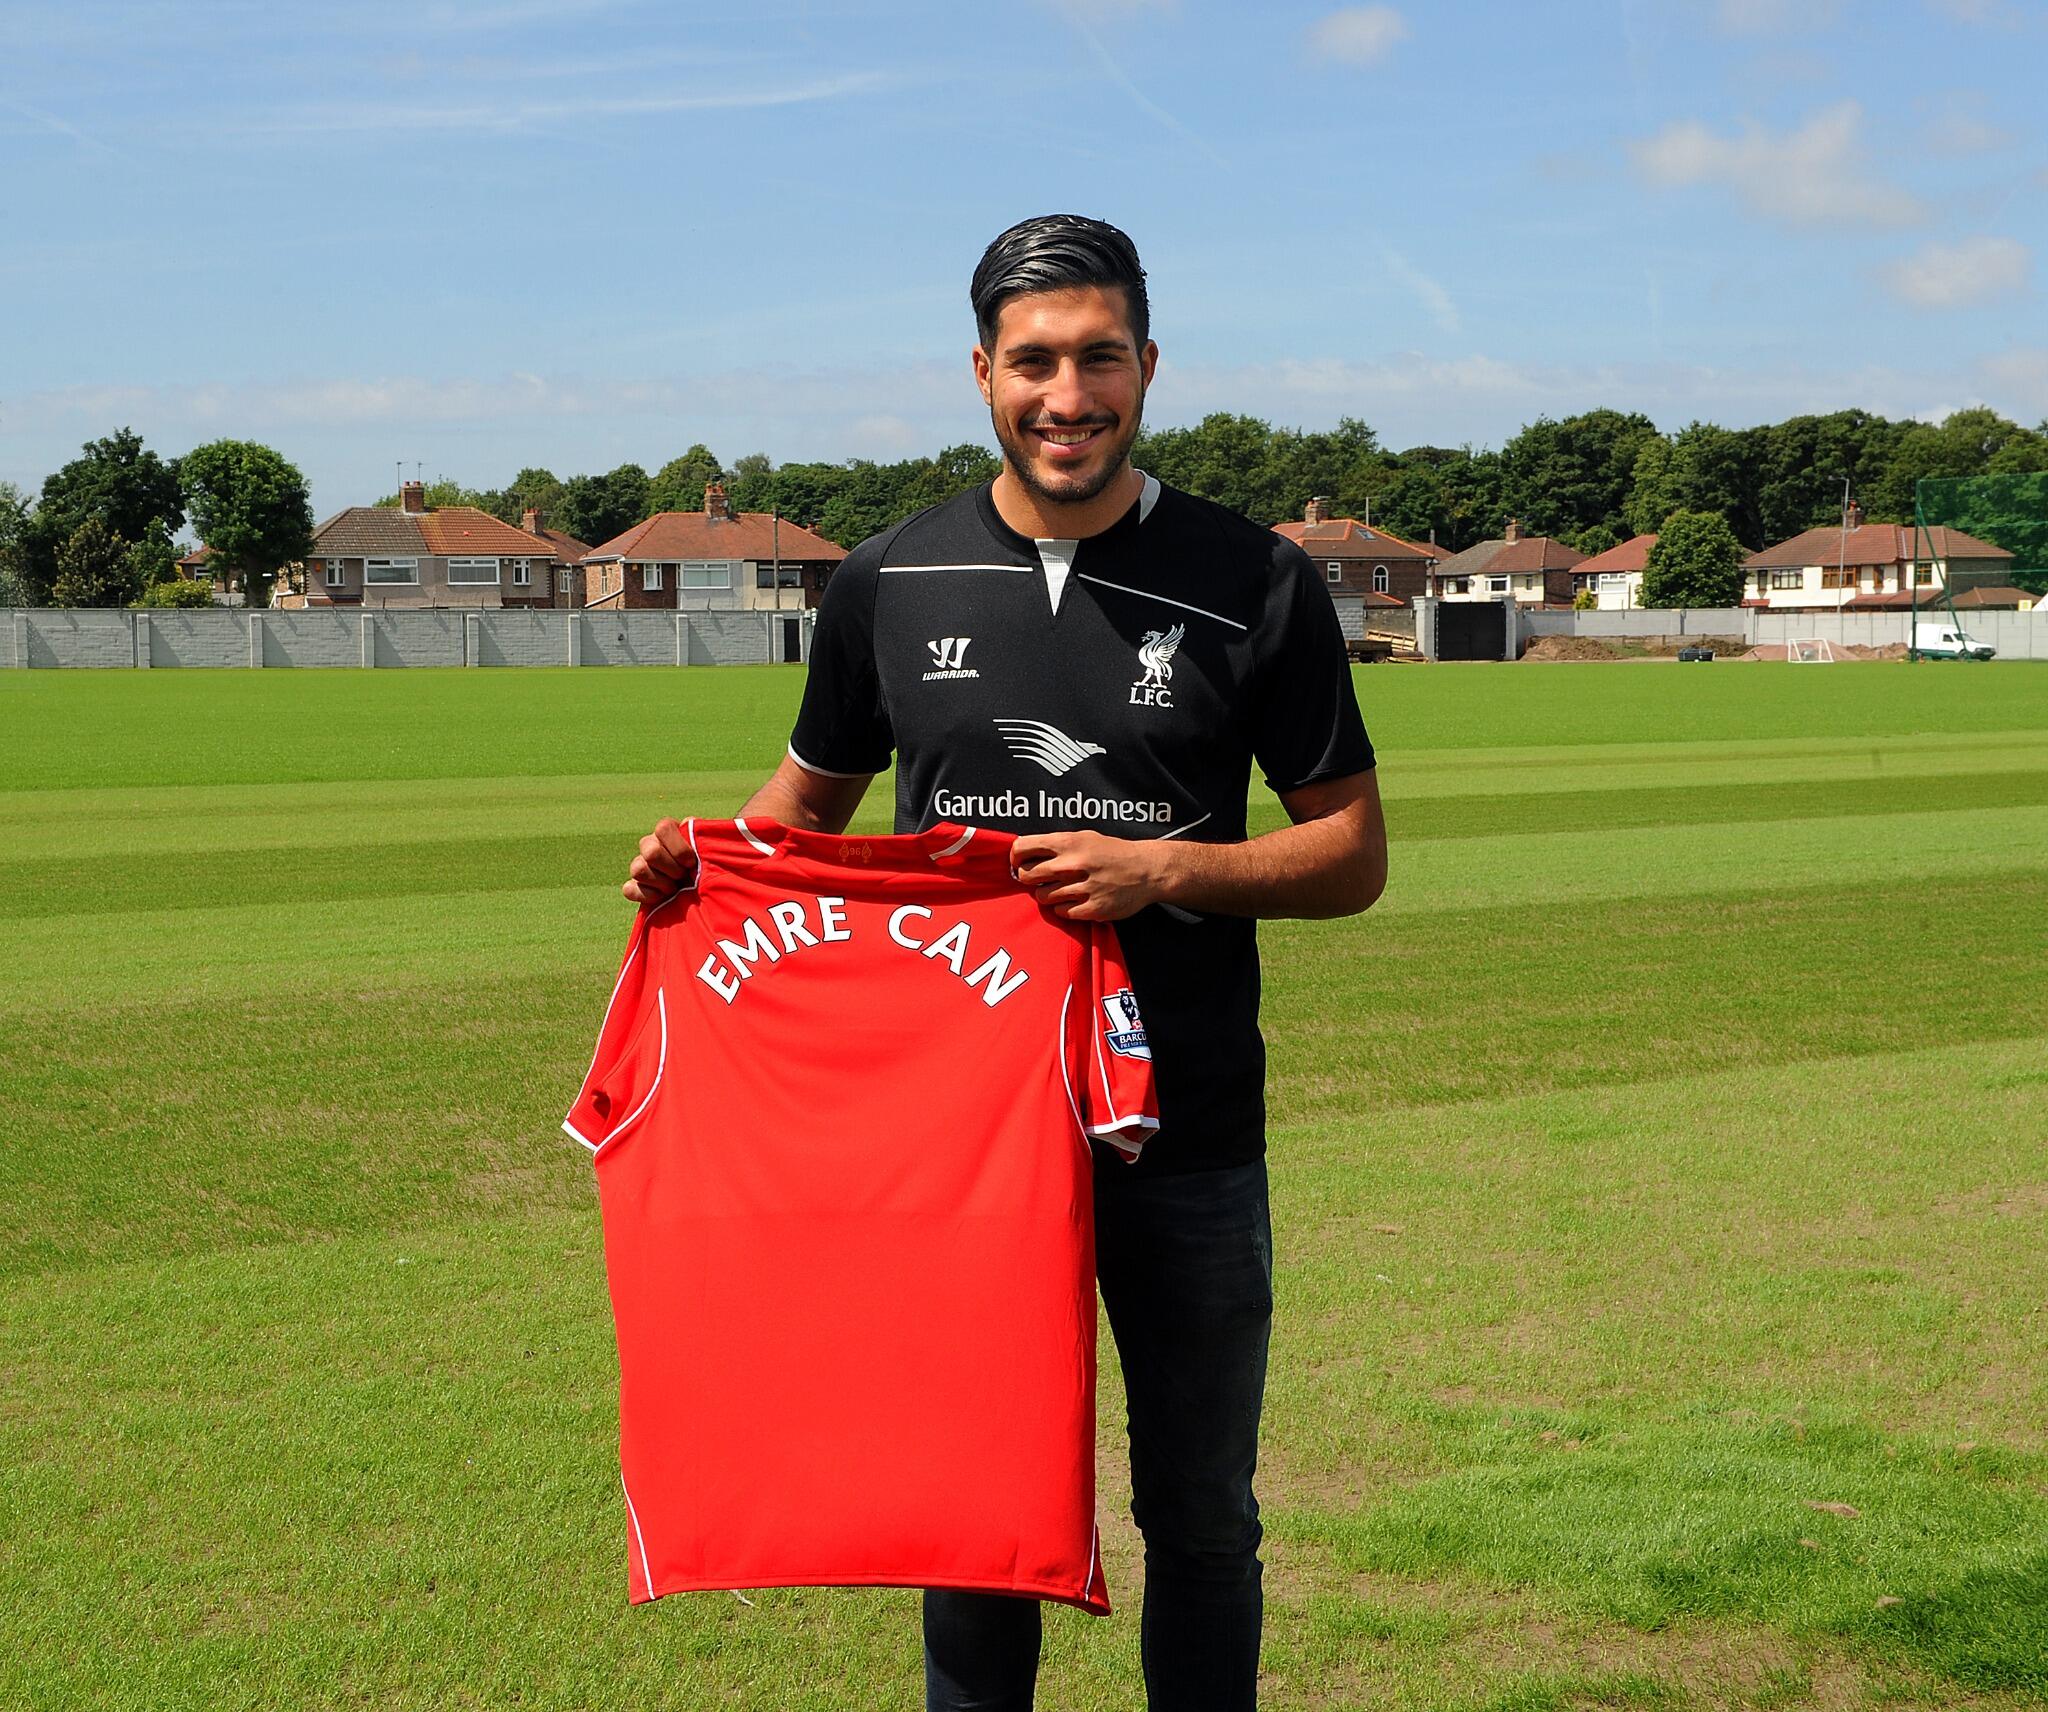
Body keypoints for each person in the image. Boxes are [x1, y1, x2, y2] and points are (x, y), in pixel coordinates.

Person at [622, 213, 1386, 1712]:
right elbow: (801, 821)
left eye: (1100, 357)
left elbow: (1351, 854)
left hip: (1190, 1136)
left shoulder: (1257, 579)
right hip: (962, 1154)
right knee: (970, 1524)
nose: (1068, 394)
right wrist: (694, 867)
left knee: (1204, 1523)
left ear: (1149, 366)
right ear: (980, 373)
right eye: (1034, 361)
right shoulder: (889, 585)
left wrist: (1161, 869)